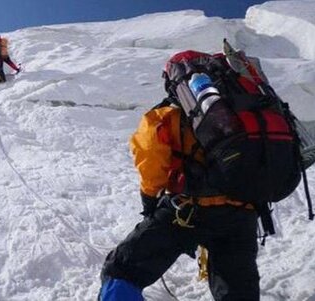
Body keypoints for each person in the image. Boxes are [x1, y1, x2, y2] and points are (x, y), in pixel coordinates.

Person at [98, 96, 260, 298]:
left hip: (186, 211)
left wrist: (149, 198)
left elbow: (150, 157)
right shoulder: (253, 108)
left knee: (121, 270)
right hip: (243, 212)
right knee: (237, 289)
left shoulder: (171, 112)